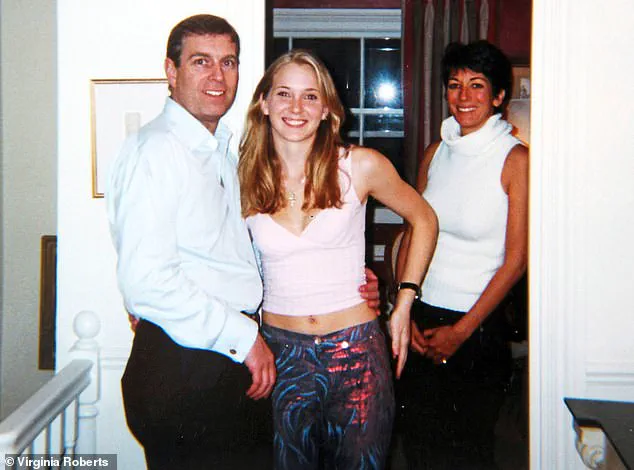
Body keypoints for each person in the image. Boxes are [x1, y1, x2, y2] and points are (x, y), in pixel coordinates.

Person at [106, 15, 380, 470]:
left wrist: (349, 278)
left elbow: (236, 254)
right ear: (171, 72)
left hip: (224, 361)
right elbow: (147, 281)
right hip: (187, 366)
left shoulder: (222, 153)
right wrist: (245, 338)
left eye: (228, 62)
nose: (217, 76)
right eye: (201, 62)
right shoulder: (155, 150)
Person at [238, 50, 438, 470]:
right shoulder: (242, 176)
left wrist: (403, 302)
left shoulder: (360, 165)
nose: (296, 107)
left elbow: (424, 218)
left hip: (357, 354)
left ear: (327, 109)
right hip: (280, 355)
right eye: (284, 94)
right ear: (264, 103)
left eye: (310, 96)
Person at [395, 40, 529, 469]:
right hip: (421, 316)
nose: (464, 96)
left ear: (499, 96)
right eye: (454, 85)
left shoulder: (516, 160)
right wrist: (404, 310)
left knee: (466, 454)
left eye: (477, 85)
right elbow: (412, 232)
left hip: (477, 327)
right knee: (417, 447)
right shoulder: (435, 152)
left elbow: (517, 260)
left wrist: (462, 331)